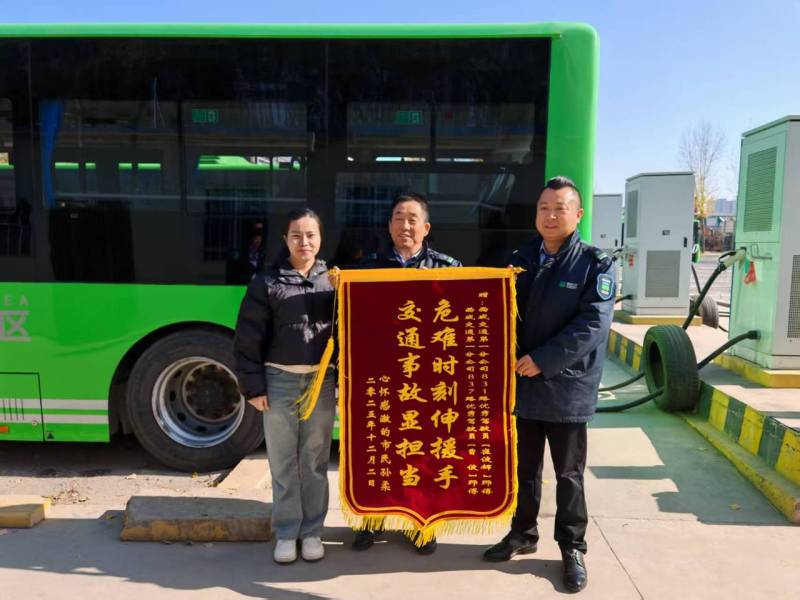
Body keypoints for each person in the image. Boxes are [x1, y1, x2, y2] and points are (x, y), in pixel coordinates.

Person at [482, 177, 615, 593]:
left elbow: (592, 324)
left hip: (566, 387)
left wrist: (544, 359)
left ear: (578, 215)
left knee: (568, 474)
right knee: (524, 469)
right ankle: (522, 533)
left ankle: (572, 547)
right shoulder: (520, 259)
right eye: (544, 208)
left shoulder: (595, 264)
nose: (551, 216)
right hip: (523, 385)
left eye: (560, 208)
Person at [353, 191, 461, 555]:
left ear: (426, 228)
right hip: (380, 375)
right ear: (389, 226)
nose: (405, 225)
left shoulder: (448, 268)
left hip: (426, 379)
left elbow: (462, 319)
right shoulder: (367, 268)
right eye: (399, 218)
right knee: (378, 448)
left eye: (413, 219)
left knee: (423, 452)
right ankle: (372, 519)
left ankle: (421, 523)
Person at [233, 207, 336, 565]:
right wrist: (253, 387)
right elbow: (248, 337)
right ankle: (287, 532)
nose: (304, 242)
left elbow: (350, 333)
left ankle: (312, 532)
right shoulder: (267, 282)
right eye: (296, 235)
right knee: (282, 460)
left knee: (315, 459)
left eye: (310, 235)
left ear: (320, 238)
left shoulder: (334, 281)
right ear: (285, 240)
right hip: (279, 380)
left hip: (321, 381)